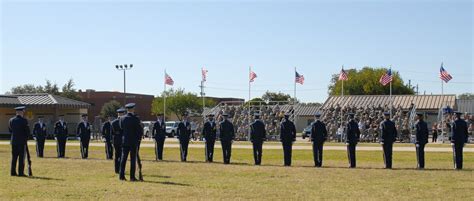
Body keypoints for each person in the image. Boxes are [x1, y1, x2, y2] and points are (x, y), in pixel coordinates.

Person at [119, 103, 142, 181]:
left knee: (123, 158)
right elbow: (139, 130)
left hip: (125, 140)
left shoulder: (122, 118)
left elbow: (121, 128)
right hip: (133, 141)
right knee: (133, 159)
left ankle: (121, 176)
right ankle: (132, 177)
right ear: (132, 109)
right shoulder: (135, 118)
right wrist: (138, 138)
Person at [9, 106, 30, 176]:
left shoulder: (11, 120)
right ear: (22, 112)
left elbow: (10, 130)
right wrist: (26, 138)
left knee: (14, 157)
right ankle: (21, 172)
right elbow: (27, 132)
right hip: (21, 142)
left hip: (14, 141)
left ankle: (13, 172)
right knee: (21, 158)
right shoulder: (24, 120)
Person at [112, 108, 125, 174]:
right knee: (121, 156)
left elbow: (112, 133)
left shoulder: (113, 122)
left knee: (117, 155)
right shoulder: (124, 121)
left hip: (116, 140)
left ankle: (117, 169)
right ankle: (120, 169)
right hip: (122, 140)